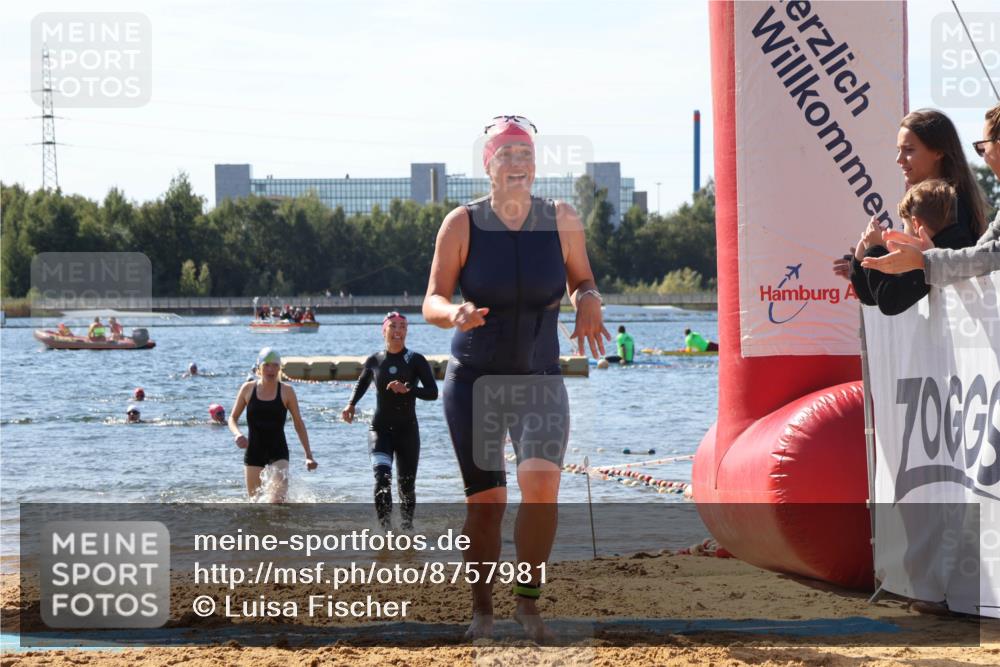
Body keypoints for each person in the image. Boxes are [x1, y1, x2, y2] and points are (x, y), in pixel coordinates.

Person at [423, 115, 609, 641]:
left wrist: (589, 301)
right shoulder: (462, 223)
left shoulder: (561, 218)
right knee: (487, 504)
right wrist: (451, 314)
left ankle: (527, 604)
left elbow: (583, 279)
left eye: (525, 154)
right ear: (488, 165)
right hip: (476, 381)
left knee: (543, 486)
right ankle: (481, 610)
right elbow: (432, 298)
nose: (517, 163)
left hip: (541, 378)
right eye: (505, 154)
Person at [835, 108, 988, 279]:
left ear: (938, 152)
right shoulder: (948, 202)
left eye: (909, 149)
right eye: (898, 150)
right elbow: (918, 279)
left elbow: (924, 283)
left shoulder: (951, 205)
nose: (899, 159)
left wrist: (875, 257)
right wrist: (865, 265)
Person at [341, 312, 438, 531]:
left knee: (406, 486)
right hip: (380, 430)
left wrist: (409, 389)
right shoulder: (375, 359)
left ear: (406, 331)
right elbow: (362, 382)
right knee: (382, 480)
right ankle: (385, 530)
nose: (398, 331)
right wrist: (351, 404)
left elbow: (433, 392)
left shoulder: (415, 359)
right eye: (393, 326)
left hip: (407, 432)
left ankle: (406, 529)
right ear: (384, 330)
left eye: (402, 327)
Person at [850, 180, 975, 315]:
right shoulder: (956, 249)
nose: (903, 231)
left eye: (904, 226)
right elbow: (871, 297)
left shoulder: (930, 259)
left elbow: (890, 301)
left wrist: (874, 249)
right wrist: (861, 256)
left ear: (916, 224)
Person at [228, 347, 317, 502]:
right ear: (259, 368)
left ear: (280, 368)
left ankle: (280, 526)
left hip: (278, 451)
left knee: (276, 501)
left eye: (275, 365)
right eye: (266, 365)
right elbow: (232, 418)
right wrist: (237, 434)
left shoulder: (287, 391)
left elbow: (298, 423)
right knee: (255, 503)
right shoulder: (248, 389)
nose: (271, 369)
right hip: (254, 452)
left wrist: (308, 455)